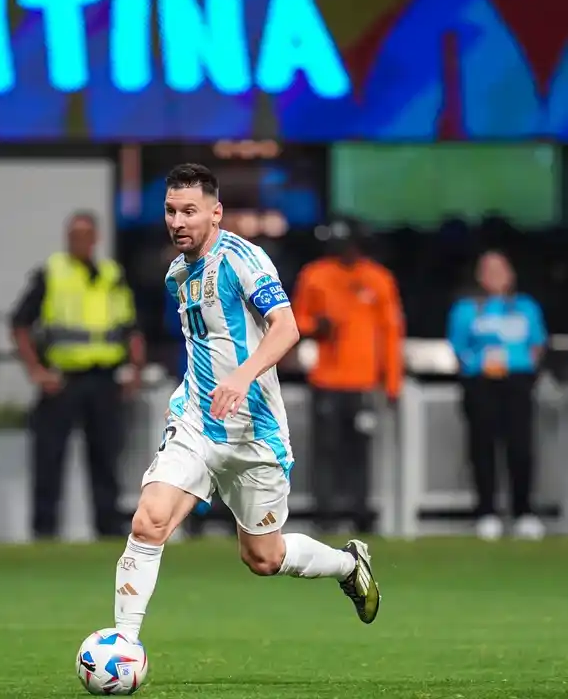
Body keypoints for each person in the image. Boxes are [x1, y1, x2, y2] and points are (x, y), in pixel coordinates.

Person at [112, 164, 379, 645]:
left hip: (253, 431)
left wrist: (241, 375)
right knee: (149, 520)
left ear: (215, 214)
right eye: (171, 211)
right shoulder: (177, 274)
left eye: (189, 211)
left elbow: (287, 327)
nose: (178, 221)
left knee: (263, 559)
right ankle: (124, 645)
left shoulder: (243, 259)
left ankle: (347, 564)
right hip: (196, 420)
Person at [11, 211, 144, 540]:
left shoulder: (112, 275)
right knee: (49, 458)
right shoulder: (53, 273)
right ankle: (44, 532)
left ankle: (108, 531)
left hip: (105, 379)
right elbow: (20, 324)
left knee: (106, 458)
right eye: (74, 235)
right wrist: (36, 371)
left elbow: (131, 328)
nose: (79, 242)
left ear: (95, 238)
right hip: (63, 380)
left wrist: (135, 370)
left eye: (85, 235)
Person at [292, 217, 404, 535]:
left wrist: (392, 381)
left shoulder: (378, 279)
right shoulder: (315, 275)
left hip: (363, 381)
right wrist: (315, 327)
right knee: (325, 450)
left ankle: (360, 512)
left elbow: (391, 333)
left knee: (360, 451)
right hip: (325, 379)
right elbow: (295, 319)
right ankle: (325, 514)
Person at [447, 250, 547, 541]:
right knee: (482, 447)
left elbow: (537, 343)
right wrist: (473, 367)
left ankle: (523, 512)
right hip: (481, 383)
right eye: (488, 270)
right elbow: (458, 346)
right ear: (479, 276)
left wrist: (525, 368)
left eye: (500, 269)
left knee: (521, 446)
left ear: (511, 274)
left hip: (517, 381)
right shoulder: (466, 309)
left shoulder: (526, 307)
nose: (495, 276)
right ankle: (486, 513)